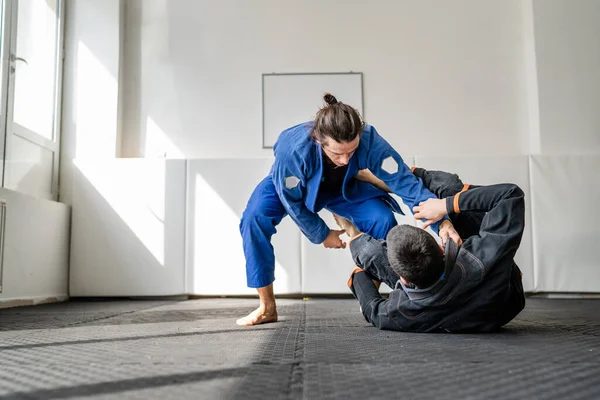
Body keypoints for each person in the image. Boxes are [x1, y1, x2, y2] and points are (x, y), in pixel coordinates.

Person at [237, 94, 461, 326]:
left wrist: (441, 221)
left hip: (341, 186)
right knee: (253, 220)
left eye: (351, 152)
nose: (344, 160)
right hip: (290, 186)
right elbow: (292, 200)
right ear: (318, 140)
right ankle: (267, 307)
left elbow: (403, 181)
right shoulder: (292, 149)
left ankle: (387, 295)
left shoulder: (370, 140)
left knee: (382, 219)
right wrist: (322, 234)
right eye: (337, 153)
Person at [338, 167, 526, 332]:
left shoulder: (404, 311)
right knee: (450, 188)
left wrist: (361, 267)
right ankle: (392, 181)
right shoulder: (482, 255)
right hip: (503, 299)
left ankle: (360, 221)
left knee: (367, 252)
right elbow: (510, 194)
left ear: (403, 279)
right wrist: (445, 206)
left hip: (440, 306)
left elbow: (373, 309)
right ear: (441, 247)